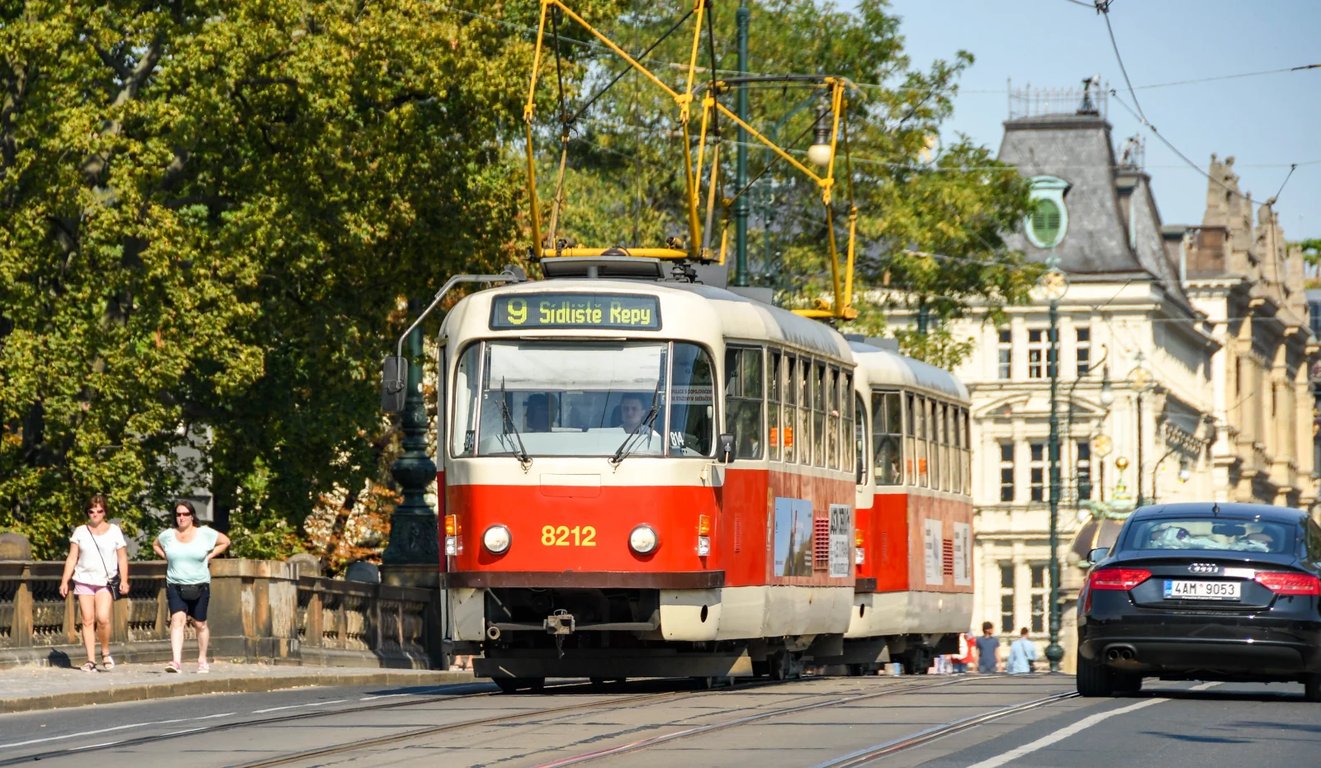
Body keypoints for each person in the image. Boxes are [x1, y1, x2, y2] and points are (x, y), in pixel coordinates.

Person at [153, 500, 230, 674]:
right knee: (177, 621)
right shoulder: (168, 535)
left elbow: (225, 541)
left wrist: (209, 556)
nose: (181, 517)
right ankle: (176, 661)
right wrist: (167, 556)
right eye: (178, 514)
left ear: (192, 516)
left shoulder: (204, 533)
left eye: (185, 514)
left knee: (200, 624)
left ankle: (202, 659)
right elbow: (155, 544)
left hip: (199, 584)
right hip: (175, 583)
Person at [59, 494, 129, 672]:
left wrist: (124, 580)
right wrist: (65, 580)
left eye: (99, 511)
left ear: (105, 512)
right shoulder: (80, 531)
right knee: (87, 620)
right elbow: (72, 557)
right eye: (91, 511)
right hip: (84, 579)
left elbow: (122, 557)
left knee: (103, 618)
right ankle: (90, 660)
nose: (95, 514)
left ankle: (105, 652)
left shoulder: (114, 531)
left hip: (105, 581)